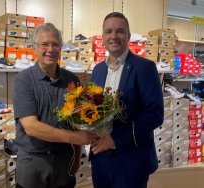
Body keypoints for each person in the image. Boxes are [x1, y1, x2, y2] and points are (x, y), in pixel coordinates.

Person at [13, 23, 98, 188]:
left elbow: (77, 121)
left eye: (55, 44)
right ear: (34, 48)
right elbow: (31, 127)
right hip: (33, 162)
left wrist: (77, 154)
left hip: (63, 161)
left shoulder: (71, 80)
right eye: (44, 44)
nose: (50, 49)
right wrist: (75, 139)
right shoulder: (24, 80)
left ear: (61, 48)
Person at [90, 12, 164, 188]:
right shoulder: (97, 70)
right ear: (103, 37)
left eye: (120, 31)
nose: (114, 36)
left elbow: (154, 114)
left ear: (129, 36)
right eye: (109, 31)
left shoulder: (145, 67)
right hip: (100, 157)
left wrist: (115, 139)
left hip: (131, 158)